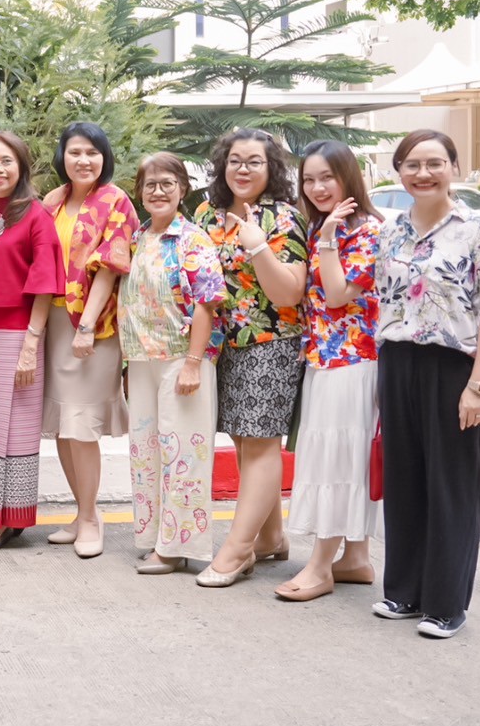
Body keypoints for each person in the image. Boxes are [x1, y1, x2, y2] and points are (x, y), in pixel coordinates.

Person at [373, 130, 480, 639]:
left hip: (455, 367)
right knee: (405, 480)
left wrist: (479, 385)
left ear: (454, 167)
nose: (423, 173)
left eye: (435, 163)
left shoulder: (477, 229)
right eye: (412, 164)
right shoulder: (390, 231)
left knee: (452, 485)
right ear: (399, 172)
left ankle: (446, 603)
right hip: (397, 361)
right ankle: (405, 591)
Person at [191, 128, 307, 587]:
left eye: (254, 161)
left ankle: (237, 551)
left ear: (271, 168)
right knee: (242, 441)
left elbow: (289, 294)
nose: (242, 169)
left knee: (260, 444)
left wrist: (257, 245)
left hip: (271, 342)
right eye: (235, 160)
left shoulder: (284, 217)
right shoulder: (207, 214)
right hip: (223, 344)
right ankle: (271, 536)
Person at [275, 140, 384, 601]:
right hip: (324, 358)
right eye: (309, 179)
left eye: (327, 178)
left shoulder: (368, 231)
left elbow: (338, 295)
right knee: (342, 456)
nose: (317, 188)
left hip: (353, 361)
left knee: (336, 459)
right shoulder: (322, 225)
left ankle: (320, 567)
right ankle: (355, 558)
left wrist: (325, 239)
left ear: (348, 178)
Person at [120, 152, 225, 575]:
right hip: (141, 359)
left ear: (182, 189)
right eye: (150, 184)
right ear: (140, 192)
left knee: (183, 453)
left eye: (167, 183)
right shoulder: (138, 237)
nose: (158, 191)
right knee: (146, 451)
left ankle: (177, 546)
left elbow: (207, 303)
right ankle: (153, 537)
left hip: (182, 358)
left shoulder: (193, 239)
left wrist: (193, 363)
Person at [0, 131, 65, 555]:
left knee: (17, 426)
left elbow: (45, 284)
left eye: (6, 161)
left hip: (21, 332)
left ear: (21, 166)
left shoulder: (36, 216)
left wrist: (30, 345)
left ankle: (4, 520)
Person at [39, 122, 135, 559]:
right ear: (63, 156)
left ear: (104, 157)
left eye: (92, 152)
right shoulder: (53, 201)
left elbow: (111, 266)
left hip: (94, 327)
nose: (83, 160)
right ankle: (81, 514)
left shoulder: (115, 201)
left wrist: (87, 325)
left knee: (81, 425)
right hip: (54, 322)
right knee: (63, 423)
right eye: (75, 152)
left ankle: (92, 519)